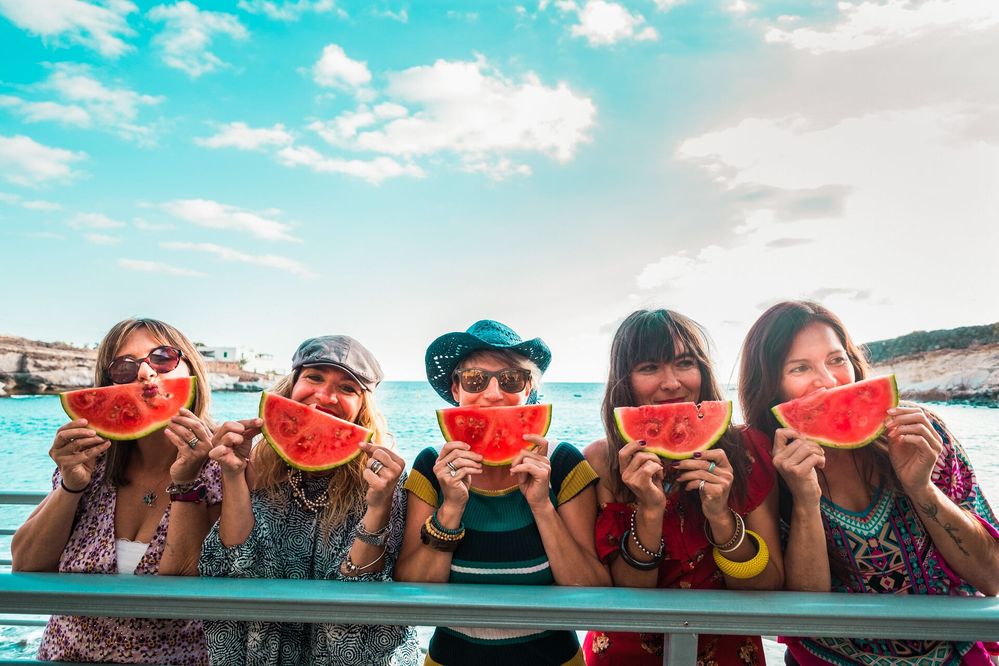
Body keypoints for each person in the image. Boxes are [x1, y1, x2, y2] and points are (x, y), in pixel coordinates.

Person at [739, 300, 999, 665]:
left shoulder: (919, 431)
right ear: (771, 389)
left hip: (951, 655)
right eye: (800, 368)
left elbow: (993, 576)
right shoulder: (766, 464)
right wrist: (805, 498)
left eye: (836, 360)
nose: (828, 381)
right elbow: (805, 610)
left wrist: (921, 488)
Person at [395, 319, 609, 665]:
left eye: (511, 379)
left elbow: (591, 590)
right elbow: (415, 588)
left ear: (529, 390)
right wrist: (450, 508)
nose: (493, 394)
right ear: (456, 390)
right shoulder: (431, 466)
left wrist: (541, 506)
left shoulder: (564, 462)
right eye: (475, 379)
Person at [199, 334, 419, 666]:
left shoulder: (384, 478)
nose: (326, 395)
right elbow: (236, 565)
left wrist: (378, 506)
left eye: (348, 389)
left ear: (363, 409)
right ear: (290, 387)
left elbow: (359, 591)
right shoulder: (255, 463)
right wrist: (232, 475)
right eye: (314, 377)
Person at [12, 318, 221, 665]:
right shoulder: (89, 462)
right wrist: (71, 485)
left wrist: (186, 481)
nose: (145, 374)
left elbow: (182, 584)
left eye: (163, 358)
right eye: (124, 367)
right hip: (65, 657)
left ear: (190, 367)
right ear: (108, 385)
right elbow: (26, 563)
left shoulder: (220, 466)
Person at [583, 309, 784, 665]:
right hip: (625, 656)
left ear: (703, 371)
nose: (672, 382)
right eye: (649, 368)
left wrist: (721, 517)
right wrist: (648, 510)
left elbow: (766, 586)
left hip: (730, 654)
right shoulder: (601, 461)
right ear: (625, 380)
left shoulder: (750, 450)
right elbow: (629, 596)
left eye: (684, 363)